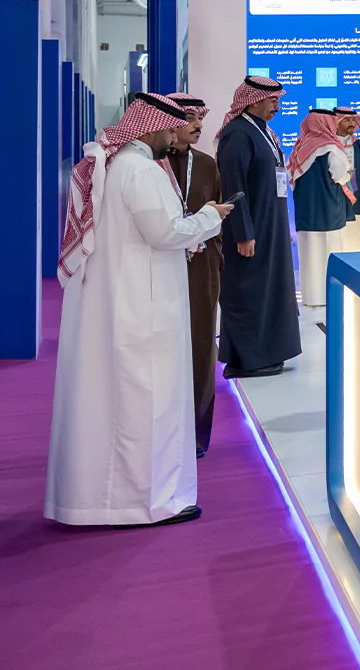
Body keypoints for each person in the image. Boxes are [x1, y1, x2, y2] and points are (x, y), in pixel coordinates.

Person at [47, 93, 232, 526]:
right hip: (143, 304)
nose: (174, 137)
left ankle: (107, 500)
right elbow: (166, 232)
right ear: (149, 127)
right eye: (170, 129)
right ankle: (151, 501)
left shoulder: (112, 164)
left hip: (118, 299)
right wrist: (210, 216)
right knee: (146, 402)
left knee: (114, 400)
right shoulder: (141, 170)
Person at [215, 76, 300, 379]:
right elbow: (233, 186)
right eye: (273, 100)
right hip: (251, 231)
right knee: (249, 292)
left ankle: (268, 353)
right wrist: (243, 232)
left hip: (270, 225)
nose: (278, 106)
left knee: (269, 291)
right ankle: (248, 359)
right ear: (253, 100)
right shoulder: (238, 133)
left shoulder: (262, 131)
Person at [163, 92, 226, 456]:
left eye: (200, 118)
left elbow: (216, 216)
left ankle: (197, 435)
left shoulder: (206, 164)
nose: (198, 125)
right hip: (160, 266)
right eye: (189, 118)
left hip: (201, 270)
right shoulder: (151, 164)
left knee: (202, 344)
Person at [290, 108, 355, 314]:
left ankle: (311, 296)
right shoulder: (330, 148)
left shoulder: (300, 147)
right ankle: (328, 294)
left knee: (309, 253)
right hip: (329, 210)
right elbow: (340, 175)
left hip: (306, 212)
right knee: (330, 251)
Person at [334, 106, 360, 219]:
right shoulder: (326, 146)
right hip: (334, 198)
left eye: (353, 120)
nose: (352, 123)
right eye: (347, 120)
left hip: (358, 202)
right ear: (336, 122)